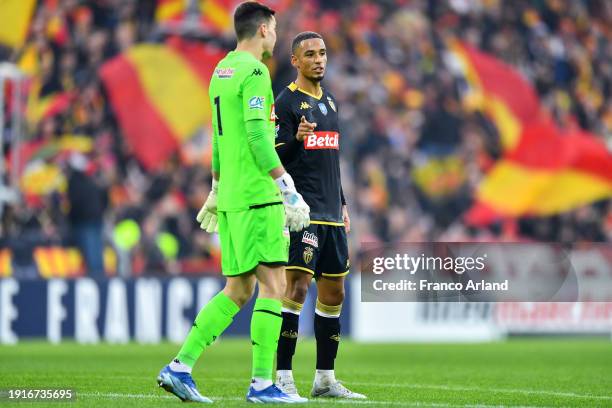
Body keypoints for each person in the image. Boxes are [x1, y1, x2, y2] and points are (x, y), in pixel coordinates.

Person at [157, 2, 310, 403]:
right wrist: (285, 184)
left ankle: (180, 366)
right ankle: (262, 384)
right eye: (274, 30)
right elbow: (259, 137)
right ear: (262, 29)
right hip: (258, 197)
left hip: (232, 197)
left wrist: (216, 186)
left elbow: (219, 138)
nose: (275, 37)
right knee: (274, 286)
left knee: (238, 289)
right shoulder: (256, 72)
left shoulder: (221, 71)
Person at [274, 31, 366, 400]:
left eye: (323, 53)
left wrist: (342, 203)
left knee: (334, 293)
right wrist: (296, 137)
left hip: (332, 213)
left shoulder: (330, 101)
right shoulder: (286, 102)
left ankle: (325, 379)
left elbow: (332, 161)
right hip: (304, 212)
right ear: (295, 61)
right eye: (310, 54)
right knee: (295, 289)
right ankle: (282, 378)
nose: (319, 59)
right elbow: (275, 158)